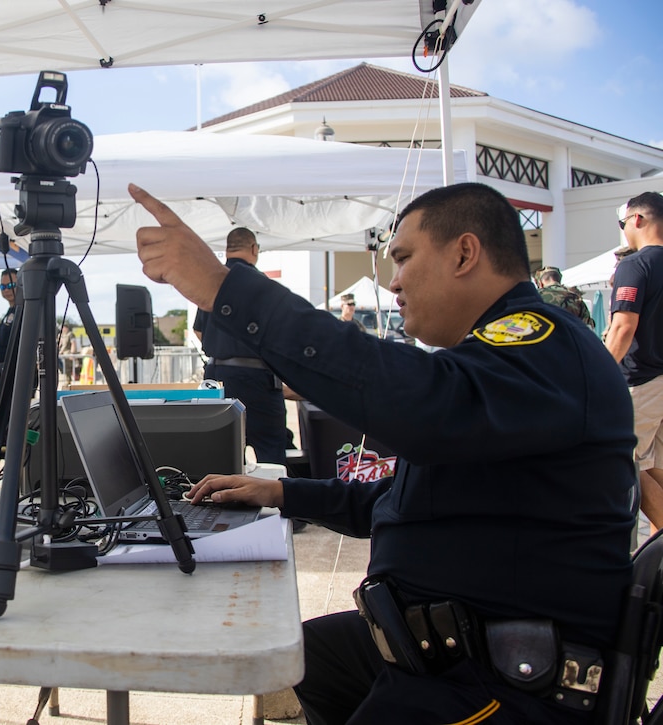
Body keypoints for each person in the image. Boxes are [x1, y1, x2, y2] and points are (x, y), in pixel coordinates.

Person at [130, 181, 635, 725]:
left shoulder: (542, 346)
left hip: (501, 684)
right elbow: (411, 499)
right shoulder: (498, 363)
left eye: (404, 258)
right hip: (448, 644)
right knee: (307, 659)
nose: (393, 282)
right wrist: (281, 492)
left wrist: (223, 288)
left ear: (464, 253)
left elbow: (417, 401)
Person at [192, 227, 289, 465]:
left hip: (218, 377)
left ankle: (220, 499)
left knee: (220, 453)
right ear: (254, 249)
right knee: (270, 451)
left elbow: (198, 329)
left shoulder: (211, 281)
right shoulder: (261, 283)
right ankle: (276, 502)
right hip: (258, 379)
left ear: (227, 250)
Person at [606, 191, 663, 533]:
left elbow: (623, 327)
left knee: (625, 464)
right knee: (653, 466)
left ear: (637, 220)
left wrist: (596, 374)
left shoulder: (635, 264)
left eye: (623, 222)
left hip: (640, 380)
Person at [0, 267, 19, 397]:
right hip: (2, 375)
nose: (7, 290)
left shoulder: (23, 311)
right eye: (3, 286)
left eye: (11, 285)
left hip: (15, 376)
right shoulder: (10, 312)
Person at [58, 323, 79, 388]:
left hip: (68, 353)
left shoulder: (70, 334)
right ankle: (66, 381)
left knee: (68, 369)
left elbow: (73, 343)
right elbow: (59, 344)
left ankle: (68, 382)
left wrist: (72, 353)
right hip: (62, 354)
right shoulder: (61, 335)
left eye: (64, 327)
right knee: (63, 369)